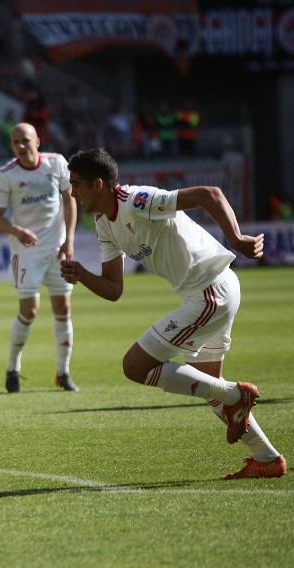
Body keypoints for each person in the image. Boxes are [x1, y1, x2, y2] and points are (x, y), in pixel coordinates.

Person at [60, 148, 286, 480]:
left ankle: (237, 395)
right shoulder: (104, 225)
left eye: (76, 185)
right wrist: (81, 274)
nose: (73, 193)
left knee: (135, 366)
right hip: (209, 293)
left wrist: (236, 239)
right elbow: (113, 289)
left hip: (210, 291)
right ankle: (267, 457)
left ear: (98, 184)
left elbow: (209, 194)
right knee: (209, 386)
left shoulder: (137, 200)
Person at [0, 122, 78, 393]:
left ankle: (63, 373)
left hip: (57, 247)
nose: (21, 146)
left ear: (37, 141)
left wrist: (69, 240)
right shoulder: (6, 175)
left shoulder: (57, 163)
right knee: (29, 310)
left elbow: (69, 200)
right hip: (26, 251)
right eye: (15, 142)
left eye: (25, 140)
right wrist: (17, 230)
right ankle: (13, 369)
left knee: (63, 308)